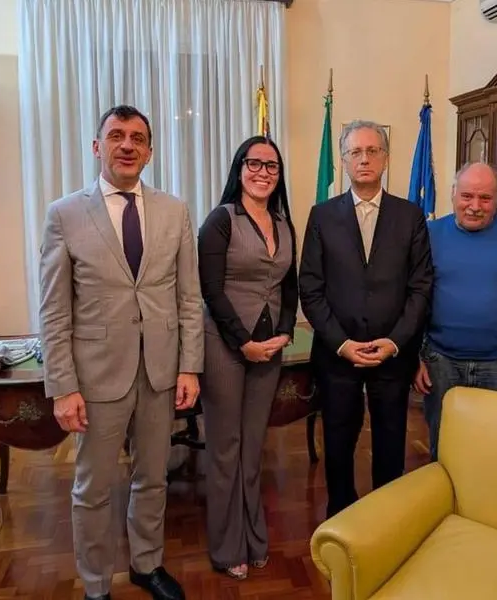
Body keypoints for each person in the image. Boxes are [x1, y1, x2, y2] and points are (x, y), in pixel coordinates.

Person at [39, 104, 203, 600]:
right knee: (93, 489)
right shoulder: (65, 214)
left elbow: (189, 297)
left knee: (152, 478)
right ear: (98, 146)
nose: (127, 145)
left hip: (159, 373)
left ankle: (146, 565)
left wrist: (189, 366)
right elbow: (53, 310)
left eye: (137, 138)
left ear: (150, 152)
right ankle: (94, 585)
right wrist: (63, 387)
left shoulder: (175, 210)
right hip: (96, 378)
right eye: (116, 135)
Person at [298, 120, 433, 519]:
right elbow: (311, 286)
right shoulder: (322, 216)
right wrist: (342, 343)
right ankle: (341, 515)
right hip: (339, 354)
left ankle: (385, 520)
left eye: (373, 151)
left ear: (386, 158)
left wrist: (396, 342)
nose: (364, 159)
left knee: (392, 442)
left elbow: (421, 287)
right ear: (342, 161)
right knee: (338, 441)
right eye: (355, 152)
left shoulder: (410, 216)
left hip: (392, 355)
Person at [196, 135, 298, 580]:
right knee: (225, 448)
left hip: (269, 347)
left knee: (253, 449)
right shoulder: (220, 221)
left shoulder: (284, 221)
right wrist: (243, 342)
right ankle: (226, 546)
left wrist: (286, 331)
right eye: (254, 163)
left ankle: (256, 536)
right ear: (239, 168)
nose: (262, 172)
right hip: (224, 346)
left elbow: (289, 285)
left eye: (271, 166)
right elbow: (211, 290)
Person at [413, 162, 497, 462]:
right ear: (453, 194)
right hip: (441, 364)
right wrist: (414, 357)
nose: (475, 206)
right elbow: (415, 300)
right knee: (444, 449)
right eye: (467, 196)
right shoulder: (429, 235)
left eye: (485, 198)